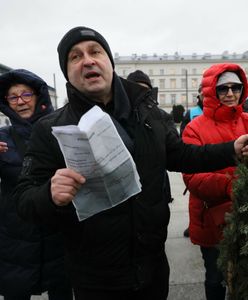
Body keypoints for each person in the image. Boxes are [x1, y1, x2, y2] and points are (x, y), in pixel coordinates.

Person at [13, 27, 248, 300]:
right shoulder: (50, 128)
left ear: (109, 63)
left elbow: (183, 155)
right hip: (96, 277)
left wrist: (231, 148)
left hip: (153, 268)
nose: (88, 60)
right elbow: (23, 199)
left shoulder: (148, 113)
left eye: (95, 51)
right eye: (75, 57)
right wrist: (49, 194)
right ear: (68, 73)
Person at [0, 69, 73, 300]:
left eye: (26, 94)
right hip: (16, 233)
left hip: (57, 228)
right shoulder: (2, 137)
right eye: (13, 96)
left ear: (38, 97)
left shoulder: (60, 131)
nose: (20, 101)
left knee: (61, 289)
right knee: (16, 289)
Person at [181, 63, 248, 299]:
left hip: (245, 218)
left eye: (236, 87)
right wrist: (232, 186)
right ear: (212, 91)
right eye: (223, 89)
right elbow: (192, 177)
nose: (230, 94)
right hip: (212, 218)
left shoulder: (247, 120)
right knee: (215, 277)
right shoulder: (194, 128)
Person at [127, 70, 173, 203]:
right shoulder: (120, 116)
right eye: (136, 89)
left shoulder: (162, 117)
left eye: (145, 90)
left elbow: (175, 152)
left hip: (156, 193)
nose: (141, 94)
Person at [180, 84, 203, 237]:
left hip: (218, 156)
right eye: (202, 92)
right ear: (199, 95)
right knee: (196, 197)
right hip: (197, 159)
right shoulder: (192, 113)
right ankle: (194, 224)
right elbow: (182, 134)